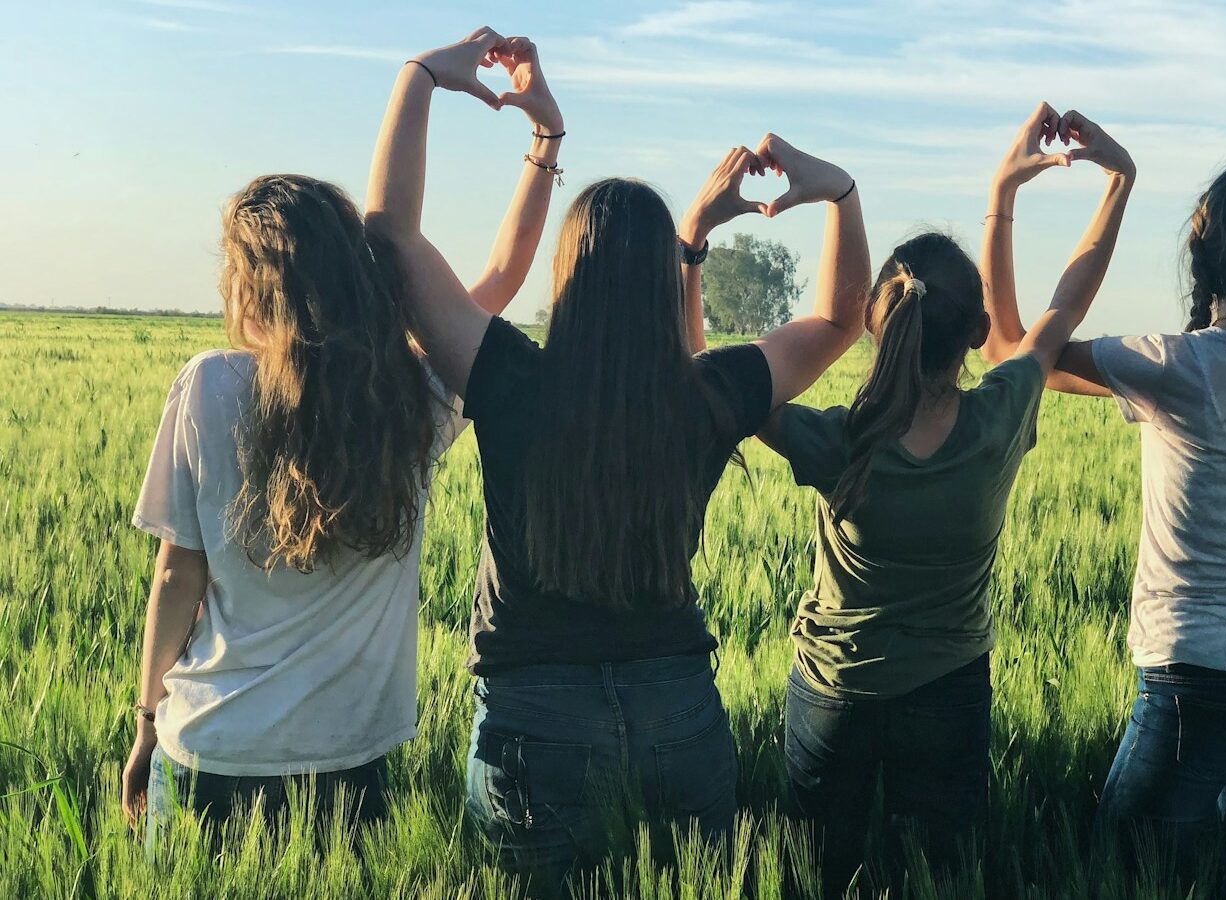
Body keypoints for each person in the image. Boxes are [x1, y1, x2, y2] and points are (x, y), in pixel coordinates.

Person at [363, 28, 872, 881]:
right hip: (680, 712)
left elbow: (389, 239)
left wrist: (419, 77)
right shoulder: (709, 395)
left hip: (534, 723)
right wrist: (840, 194)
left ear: (569, 277)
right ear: (658, 286)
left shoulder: (510, 378)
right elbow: (840, 317)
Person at [120, 69, 556, 843]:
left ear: (247, 287)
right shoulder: (407, 402)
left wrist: (147, 719)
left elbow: (176, 574)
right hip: (348, 767)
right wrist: (543, 144)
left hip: (210, 751)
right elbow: (498, 281)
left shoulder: (208, 386)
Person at [757, 103, 1134, 896]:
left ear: (874, 325)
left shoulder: (840, 439)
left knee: (819, 879)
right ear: (976, 332)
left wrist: (693, 246)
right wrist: (1108, 184)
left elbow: (717, 389)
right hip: (949, 690)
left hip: (835, 689)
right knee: (941, 878)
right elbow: (1065, 303)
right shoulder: (1000, 416)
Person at [982, 139, 1226, 897]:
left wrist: (1004, 194)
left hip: (1194, 680)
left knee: (1124, 874)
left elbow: (1008, 350)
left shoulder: (1174, 364)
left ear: (1204, 248)